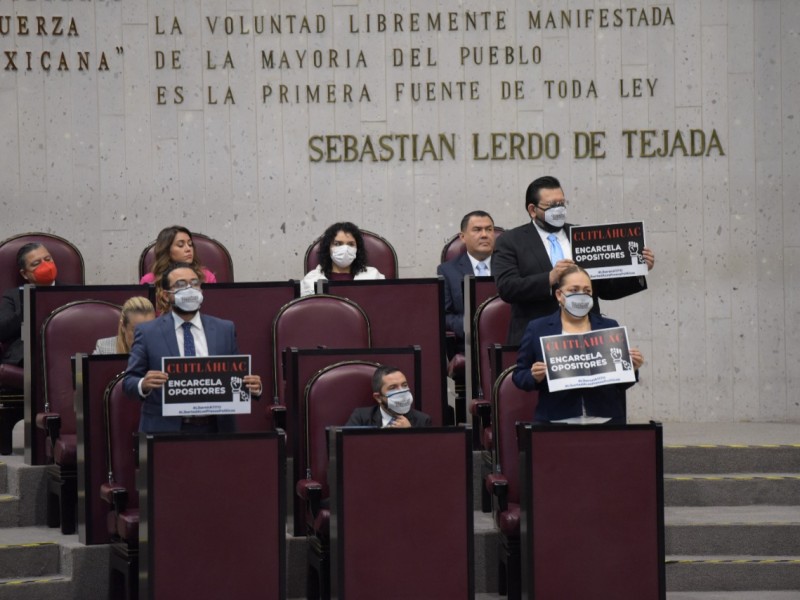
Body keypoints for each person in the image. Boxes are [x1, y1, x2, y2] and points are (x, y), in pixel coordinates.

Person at [493, 175, 655, 345]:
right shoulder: (511, 240)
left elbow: (606, 289)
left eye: (562, 204)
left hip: (586, 335)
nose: (559, 209)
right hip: (536, 337)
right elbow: (507, 288)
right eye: (551, 206)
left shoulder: (583, 236)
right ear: (533, 210)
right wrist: (550, 278)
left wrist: (638, 271)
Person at [124, 262, 262, 433]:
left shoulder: (225, 329)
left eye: (195, 283)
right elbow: (129, 382)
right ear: (166, 295)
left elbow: (236, 376)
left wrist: (252, 387)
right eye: (181, 285)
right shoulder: (147, 332)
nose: (189, 289)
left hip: (216, 430)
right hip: (165, 430)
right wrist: (143, 384)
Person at [512, 265, 644, 424]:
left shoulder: (609, 327)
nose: (581, 295)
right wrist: (534, 376)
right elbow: (519, 376)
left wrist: (632, 368)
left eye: (587, 291)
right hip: (556, 422)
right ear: (559, 295)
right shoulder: (537, 328)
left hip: (606, 420)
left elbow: (620, 384)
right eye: (574, 290)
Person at [437, 210, 496, 345]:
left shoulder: (509, 265)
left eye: (489, 229)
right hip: (467, 343)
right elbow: (443, 315)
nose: (484, 235)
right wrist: (472, 325)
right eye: (477, 230)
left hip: (506, 337)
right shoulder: (447, 271)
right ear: (462, 237)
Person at [0, 243, 58, 367]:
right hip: (26, 358)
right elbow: (2, 330)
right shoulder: (13, 296)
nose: (46, 265)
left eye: (48, 259)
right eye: (36, 264)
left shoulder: (73, 291)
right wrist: (26, 307)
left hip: (62, 352)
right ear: (24, 274)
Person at [140, 226, 217, 312]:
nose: (188, 249)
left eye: (190, 244)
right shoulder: (149, 280)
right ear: (166, 250)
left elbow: (213, 311)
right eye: (181, 245)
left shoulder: (206, 277)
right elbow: (144, 317)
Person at [300, 222, 385, 296]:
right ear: (328, 248)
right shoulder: (312, 279)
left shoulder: (373, 276)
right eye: (337, 244)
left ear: (357, 249)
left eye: (351, 244)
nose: (345, 249)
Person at [345, 365, 431, 428]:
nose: (401, 392)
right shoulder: (361, 417)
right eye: (393, 388)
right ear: (378, 397)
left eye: (404, 385)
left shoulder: (422, 421)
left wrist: (410, 433)